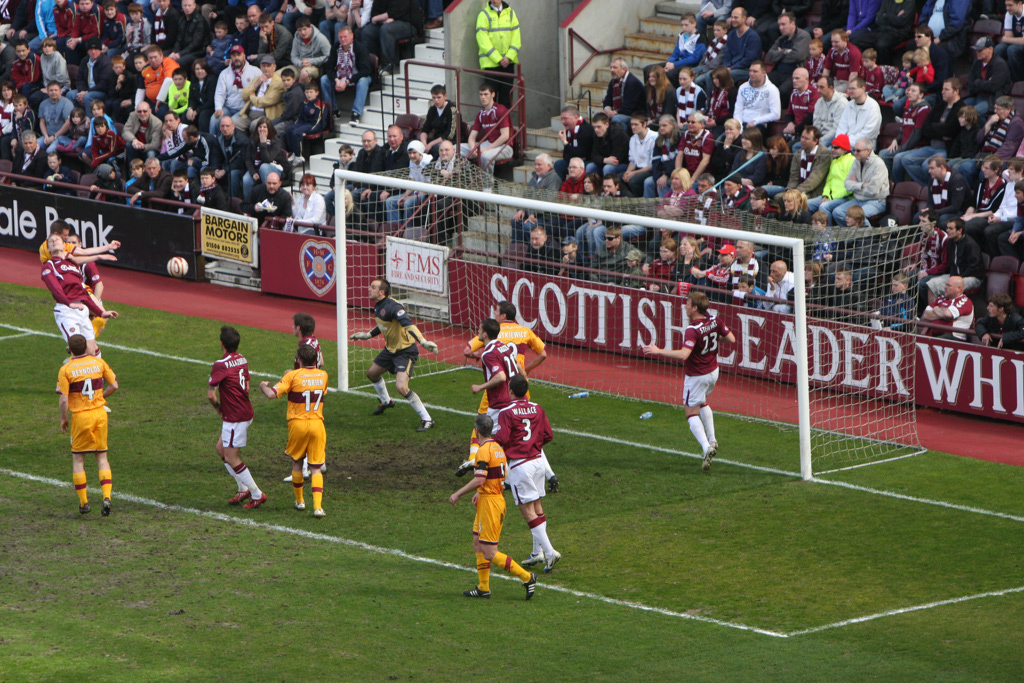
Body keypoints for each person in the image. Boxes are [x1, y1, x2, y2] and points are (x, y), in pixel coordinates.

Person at [643, 291, 735, 471]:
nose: (684, 305)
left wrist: (659, 351)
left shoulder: (692, 330)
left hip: (697, 375)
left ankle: (706, 447)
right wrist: (713, 337)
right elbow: (731, 339)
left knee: (690, 412)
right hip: (713, 371)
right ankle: (713, 440)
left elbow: (684, 354)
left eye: (687, 303)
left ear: (694, 308)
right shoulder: (715, 319)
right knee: (703, 402)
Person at [449, 413, 537, 600]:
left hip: (491, 504)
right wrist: (479, 493)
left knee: (489, 552)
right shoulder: (498, 448)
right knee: (477, 541)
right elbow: (495, 477)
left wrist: (458, 493)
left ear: (477, 431)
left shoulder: (483, 451)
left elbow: (480, 479)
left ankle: (528, 577)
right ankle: (483, 588)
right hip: (489, 498)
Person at [350, 277, 439, 431]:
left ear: (381, 292)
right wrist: (366, 335)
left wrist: (423, 341)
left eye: (373, 287)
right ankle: (386, 401)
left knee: (402, 387)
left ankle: (427, 420)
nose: (368, 289)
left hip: (405, 352)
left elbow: (408, 324)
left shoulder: (393, 306)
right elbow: (383, 325)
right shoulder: (378, 306)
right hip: (390, 350)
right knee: (372, 374)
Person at [495, 375, 561, 573]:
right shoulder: (538, 408)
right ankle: (537, 552)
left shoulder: (506, 412)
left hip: (520, 465)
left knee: (527, 510)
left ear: (511, 391)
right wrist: (532, 445)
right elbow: (548, 435)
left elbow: (503, 438)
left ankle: (549, 553)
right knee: (537, 506)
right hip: (538, 461)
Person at [260, 345, 328, 517]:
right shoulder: (323, 375)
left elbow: (270, 394)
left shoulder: (292, 376)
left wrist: (262, 385)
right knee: (316, 468)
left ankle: (300, 502)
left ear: (298, 359)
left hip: (297, 424)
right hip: (317, 424)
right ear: (316, 360)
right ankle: (318, 507)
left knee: (297, 462)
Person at [58, 334, 118, 515]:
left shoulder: (66, 369)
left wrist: (63, 418)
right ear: (86, 347)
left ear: (69, 349)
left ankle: (84, 503)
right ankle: (106, 497)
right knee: (102, 457)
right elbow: (114, 385)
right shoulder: (99, 363)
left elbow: (63, 399)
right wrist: (101, 397)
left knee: (78, 459)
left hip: (81, 417)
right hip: (100, 414)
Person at [208, 325, 267, 509]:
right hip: (245, 411)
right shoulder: (242, 359)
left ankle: (257, 494)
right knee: (221, 450)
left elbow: (211, 395)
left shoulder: (220, 364)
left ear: (221, 343)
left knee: (232, 458)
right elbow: (247, 384)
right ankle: (243, 488)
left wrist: (220, 410)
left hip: (235, 417)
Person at [41, 231, 120, 357]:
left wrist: (101, 312)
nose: (54, 241)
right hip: (66, 312)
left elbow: (83, 293)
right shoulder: (49, 266)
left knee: (92, 350)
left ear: (63, 245)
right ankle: (77, 373)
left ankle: (98, 376)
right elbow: (56, 290)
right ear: (49, 249)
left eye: (57, 240)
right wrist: (69, 304)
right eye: (51, 241)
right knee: (78, 349)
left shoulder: (73, 264)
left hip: (82, 310)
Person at [474, 0, 520, 108]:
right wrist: (499, 59)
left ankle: (504, 124)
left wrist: (508, 57)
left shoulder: (511, 13)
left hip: (508, 64)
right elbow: (482, 40)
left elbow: (516, 38)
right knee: (490, 101)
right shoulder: (483, 15)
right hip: (491, 65)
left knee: (506, 100)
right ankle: (492, 124)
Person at [322, 23, 371, 124]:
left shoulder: (360, 48)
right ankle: (334, 110)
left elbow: (366, 71)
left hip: (357, 76)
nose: (343, 39)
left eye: (345, 37)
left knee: (363, 81)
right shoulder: (335, 47)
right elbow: (329, 67)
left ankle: (356, 113)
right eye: (340, 37)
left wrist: (348, 81)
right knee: (324, 79)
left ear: (351, 36)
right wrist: (336, 79)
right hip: (340, 77)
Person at [833, 138, 888, 224]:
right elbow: (847, 184)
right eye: (854, 150)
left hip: (876, 201)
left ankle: (867, 237)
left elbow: (872, 191)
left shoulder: (878, 164)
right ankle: (849, 235)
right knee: (837, 212)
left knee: (857, 216)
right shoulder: (856, 161)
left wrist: (855, 186)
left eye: (858, 151)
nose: (855, 153)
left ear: (868, 151)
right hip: (858, 200)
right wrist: (861, 185)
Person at [921, 274, 974, 340]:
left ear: (958, 288)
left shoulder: (965, 301)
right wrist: (943, 314)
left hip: (953, 337)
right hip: (934, 334)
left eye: (949, 285)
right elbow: (926, 315)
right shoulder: (941, 298)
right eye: (946, 284)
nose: (945, 287)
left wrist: (936, 309)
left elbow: (947, 314)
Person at [602, 57, 644, 130]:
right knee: (599, 116)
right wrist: (608, 111)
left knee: (616, 119)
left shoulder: (632, 82)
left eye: (615, 67)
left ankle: (623, 140)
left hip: (634, 115)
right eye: (611, 67)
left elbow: (628, 107)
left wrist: (614, 113)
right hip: (619, 112)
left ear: (623, 69)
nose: (612, 70)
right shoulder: (613, 82)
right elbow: (607, 101)